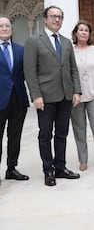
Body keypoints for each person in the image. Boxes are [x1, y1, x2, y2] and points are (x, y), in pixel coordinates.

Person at [24, 5, 82, 186]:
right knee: (45, 134)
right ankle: (48, 169)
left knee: (62, 133)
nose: (57, 20)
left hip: (65, 95)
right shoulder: (34, 41)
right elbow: (30, 71)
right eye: (53, 16)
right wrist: (36, 95)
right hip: (45, 97)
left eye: (60, 17)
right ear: (45, 19)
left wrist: (76, 91)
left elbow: (73, 68)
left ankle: (60, 167)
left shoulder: (66, 42)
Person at [70, 21, 94, 171]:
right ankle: (83, 159)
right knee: (79, 128)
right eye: (81, 30)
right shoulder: (70, 50)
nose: (84, 32)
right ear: (76, 33)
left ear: (89, 34)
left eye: (86, 30)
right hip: (76, 95)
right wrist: (72, 92)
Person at [0, 15, 30, 185]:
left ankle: (11, 168)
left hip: (18, 99)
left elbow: (26, 74)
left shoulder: (20, 50)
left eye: (7, 26)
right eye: (1, 26)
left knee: (14, 136)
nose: (5, 28)